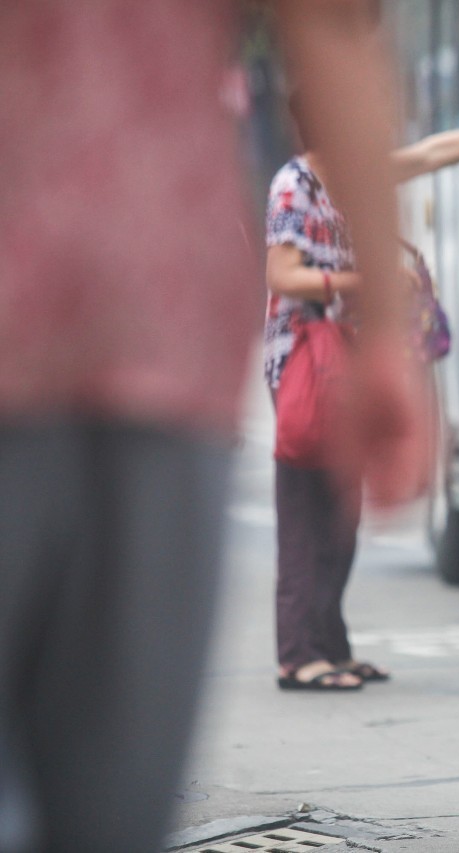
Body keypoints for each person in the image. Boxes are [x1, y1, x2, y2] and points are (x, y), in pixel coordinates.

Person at [0, 1, 433, 850]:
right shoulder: (288, 183)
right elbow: (333, 30)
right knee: (107, 807)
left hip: (151, 336)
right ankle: (308, 645)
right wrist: (383, 333)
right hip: (149, 311)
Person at [266, 89, 459, 691]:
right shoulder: (293, 184)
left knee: (341, 513)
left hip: (346, 362)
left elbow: (439, 152)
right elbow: (282, 273)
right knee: (307, 512)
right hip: (308, 361)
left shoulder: (357, 173)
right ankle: (299, 654)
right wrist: (365, 278)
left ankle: (330, 644)